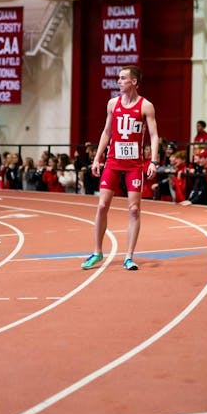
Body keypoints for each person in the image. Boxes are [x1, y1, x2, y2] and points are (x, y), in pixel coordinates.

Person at [81, 66, 159, 271]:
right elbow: (107, 132)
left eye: (123, 78)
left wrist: (153, 161)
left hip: (134, 164)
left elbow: (154, 135)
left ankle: (129, 256)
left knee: (134, 209)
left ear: (134, 82)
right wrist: (97, 158)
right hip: (113, 162)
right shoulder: (112, 104)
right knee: (102, 205)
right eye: (118, 78)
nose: (119, 81)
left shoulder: (146, 106)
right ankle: (97, 252)